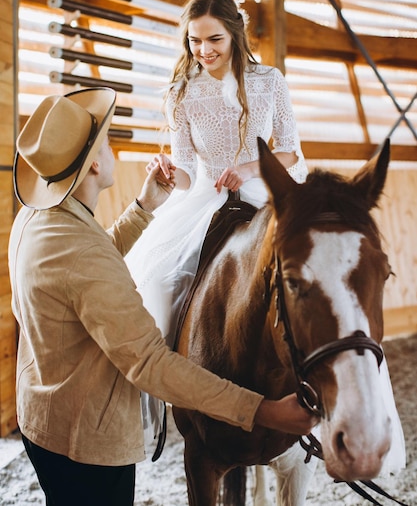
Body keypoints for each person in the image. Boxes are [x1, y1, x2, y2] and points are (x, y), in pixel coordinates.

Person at [125, 0, 406, 473]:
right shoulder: (180, 93)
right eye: (194, 41)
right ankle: (173, 402)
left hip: (265, 191)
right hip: (202, 200)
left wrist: (250, 168)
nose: (203, 50)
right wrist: (172, 173)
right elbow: (190, 171)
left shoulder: (267, 81)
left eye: (213, 39)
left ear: (235, 34)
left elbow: (291, 151)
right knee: (158, 282)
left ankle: (347, 407)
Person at [8, 86, 318, 506]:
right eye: (106, 142)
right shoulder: (81, 253)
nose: (112, 148)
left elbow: (87, 265)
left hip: (42, 412)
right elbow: (150, 362)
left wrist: (143, 207)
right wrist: (264, 411)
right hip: (84, 441)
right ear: (96, 164)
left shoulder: (36, 218)